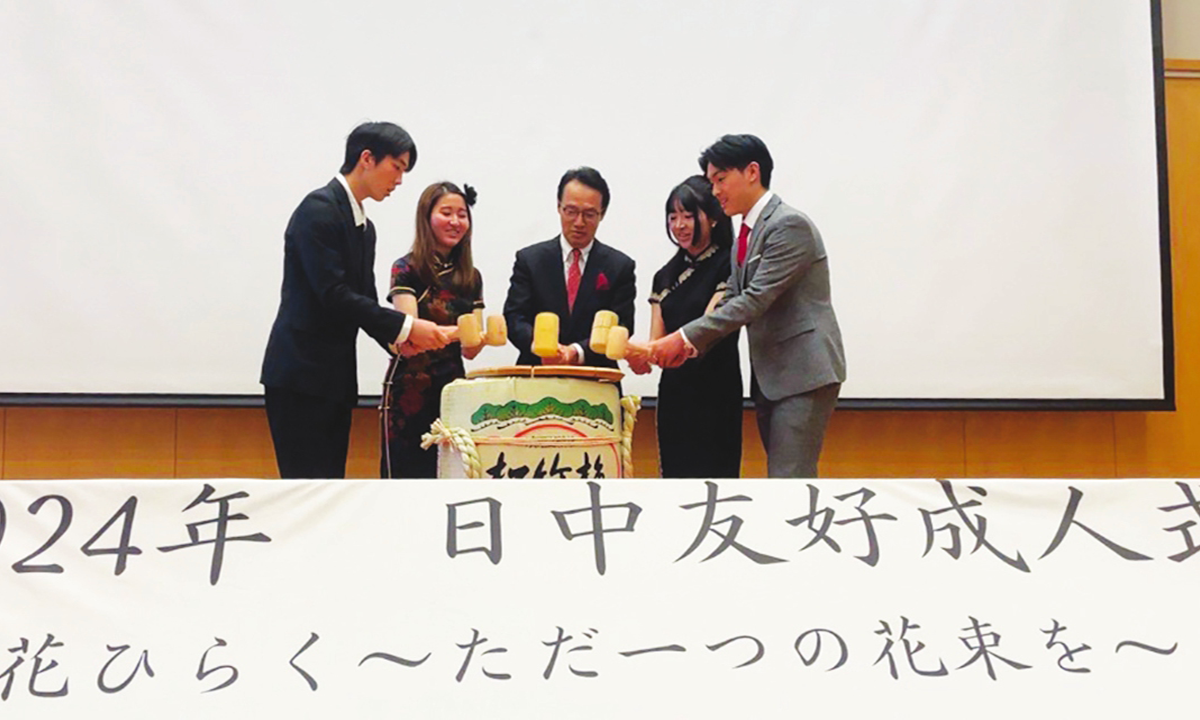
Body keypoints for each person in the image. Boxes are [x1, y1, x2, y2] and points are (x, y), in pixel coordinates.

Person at [261, 122, 452, 479]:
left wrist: (399, 343)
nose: (399, 180)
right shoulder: (318, 209)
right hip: (300, 376)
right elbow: (333, 295)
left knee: (330, 484)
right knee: (305, 487)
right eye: (396, 167)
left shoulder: (364, 226)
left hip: (333, 379)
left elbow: (363, 299)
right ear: (367, 158)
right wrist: (407, 326)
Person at [648, 134, 845, 478]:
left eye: (720, 179)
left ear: (752, 172)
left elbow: (753, 300)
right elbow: (732, 297)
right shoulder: (747, 231)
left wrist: (683, 338)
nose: (715, 191)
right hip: (774, 377)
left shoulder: (787, 224)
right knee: (783, 479)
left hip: (802, 374)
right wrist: (684, 343)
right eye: (711, 182)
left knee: (789, 480)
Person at [640, 175, 743, 478]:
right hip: (674, 392)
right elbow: (656, 341)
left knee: (716, 480)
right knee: (674, 478)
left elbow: (707, 329)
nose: (679, 225)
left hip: (716, 390)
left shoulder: (730, 265)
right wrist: (638, 354)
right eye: (673, 217)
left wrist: (658, 350)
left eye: (688, 215)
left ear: (713, 218)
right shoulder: (664, 276)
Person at [381, 182, 484, 478]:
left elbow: (471, 349)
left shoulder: (471, 276)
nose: (455, 222)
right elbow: (410, 334)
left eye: (462, 215)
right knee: (406, 477)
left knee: (451, 474)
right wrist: (460, 331)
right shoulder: (406, 268)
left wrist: (482, 338)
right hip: (410, 387)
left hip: (452, 388)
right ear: (426, 217)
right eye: (446, 213)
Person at [503, 167, 636, 368]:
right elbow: (515, 317)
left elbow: (622, 326)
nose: (579, 222)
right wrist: (541, 346)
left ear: (602, 214)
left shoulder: (619, 266)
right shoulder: (530, 260)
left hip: (595, 374)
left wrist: (576, 352)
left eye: (589, 214)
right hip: (537, 372)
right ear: (559, 207)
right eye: (571, 212)